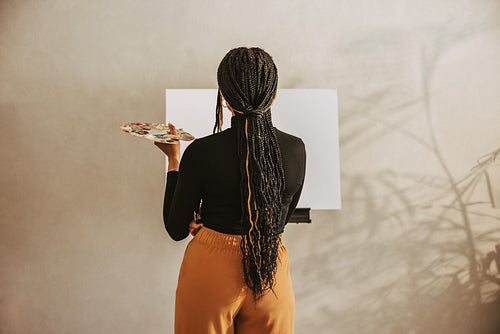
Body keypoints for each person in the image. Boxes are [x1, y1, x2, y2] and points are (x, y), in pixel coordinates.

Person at [155, 47, 306, 334]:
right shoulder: (296, 149)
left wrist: (174, 159)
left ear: (224, 97)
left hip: (211, 269)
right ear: (273, 95)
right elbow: (280, 217)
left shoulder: (201, 152)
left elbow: (176, 228)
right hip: (270, 267)